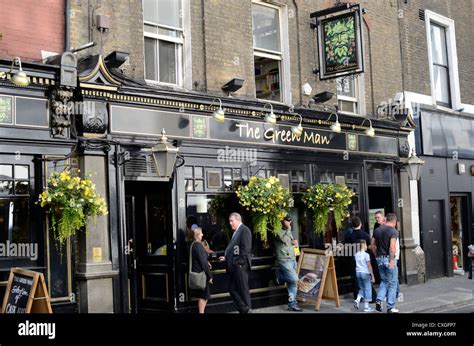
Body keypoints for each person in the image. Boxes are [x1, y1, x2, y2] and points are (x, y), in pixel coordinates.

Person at [219, 213, 252, 313]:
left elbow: (245, 249)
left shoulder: (244, 230)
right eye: (229, 221)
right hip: (234, 266)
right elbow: (233, 249)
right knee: (232, 289)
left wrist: (237, 262)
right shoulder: (236, 231)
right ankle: (245, 310)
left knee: (243, 291)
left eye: (231, 221)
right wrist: (226, 257)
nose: (230, 223)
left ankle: (247, 310)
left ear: (237, 220)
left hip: (240, 266)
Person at [274, 216, 303, 312]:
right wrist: (288, 227)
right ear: (282, 221)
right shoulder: (276, 231)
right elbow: (283, 239)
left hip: (292, 258)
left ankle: (292, 304)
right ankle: (279, 276)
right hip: (284, 259)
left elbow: (289, 242)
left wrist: (294, 243)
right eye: (287, 220)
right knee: (294, 279)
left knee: (292, 283)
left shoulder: (289, 231)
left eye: (290, 221)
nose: (289, 222)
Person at [371, 213, 399, 313]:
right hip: (389, 259)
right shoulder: (393, 231)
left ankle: (379, 299)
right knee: (392, 283)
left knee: (384, 281)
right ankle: (390, 307)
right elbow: (392, 247)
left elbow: (372, 245)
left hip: (379, 259)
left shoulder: (377, 230)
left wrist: (376, 256)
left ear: (386, 220)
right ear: (394, 222)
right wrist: (391, 260)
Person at [347, 216, 377, 301]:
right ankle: (372, 297)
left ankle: (358, 297)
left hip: (354, 259)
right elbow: (371, 246)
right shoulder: (366, 235)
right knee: (366, 279)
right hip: (365, 259)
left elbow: (347, 247)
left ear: (352, 225)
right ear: (360, 224)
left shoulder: (350, 236)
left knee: (355, 279)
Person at [189, 227, 213, 313]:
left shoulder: (192, 244)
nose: (202, 234)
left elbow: (199, 259)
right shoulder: (198, 245)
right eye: (201, 233)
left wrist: (206, 261)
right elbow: (203, 262)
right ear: (197, 235)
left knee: (203, 296)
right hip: (201, 275)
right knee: (204, 296)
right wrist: (209, 276)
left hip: (197, 273)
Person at [354, 239, 375, 312]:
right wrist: (372, 275)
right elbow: (369, 266)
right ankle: (366, 307)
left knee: (362, 288)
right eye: (366, 245)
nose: (366, 246)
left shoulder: (356, 254)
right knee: (367, 289)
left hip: (358, 273)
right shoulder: (366, 255)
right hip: (365, 273)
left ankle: (357, 300)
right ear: (363, 246)